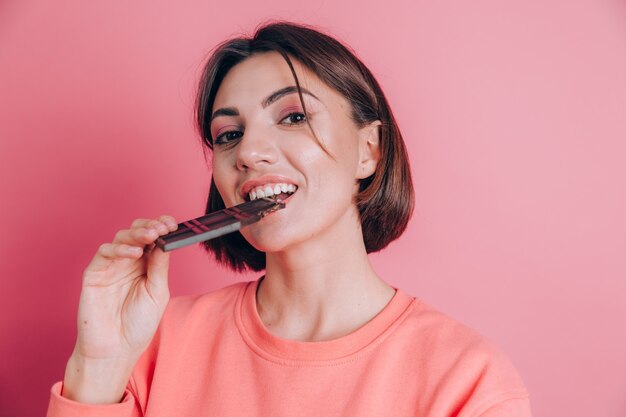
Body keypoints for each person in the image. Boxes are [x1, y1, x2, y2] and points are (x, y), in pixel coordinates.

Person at [46, 21, 532, 417]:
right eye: (229, 134)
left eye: (293, 117)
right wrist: (100, 363)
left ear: (368, 151)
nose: (250, 153)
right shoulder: (153, 342)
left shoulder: (467, 380)